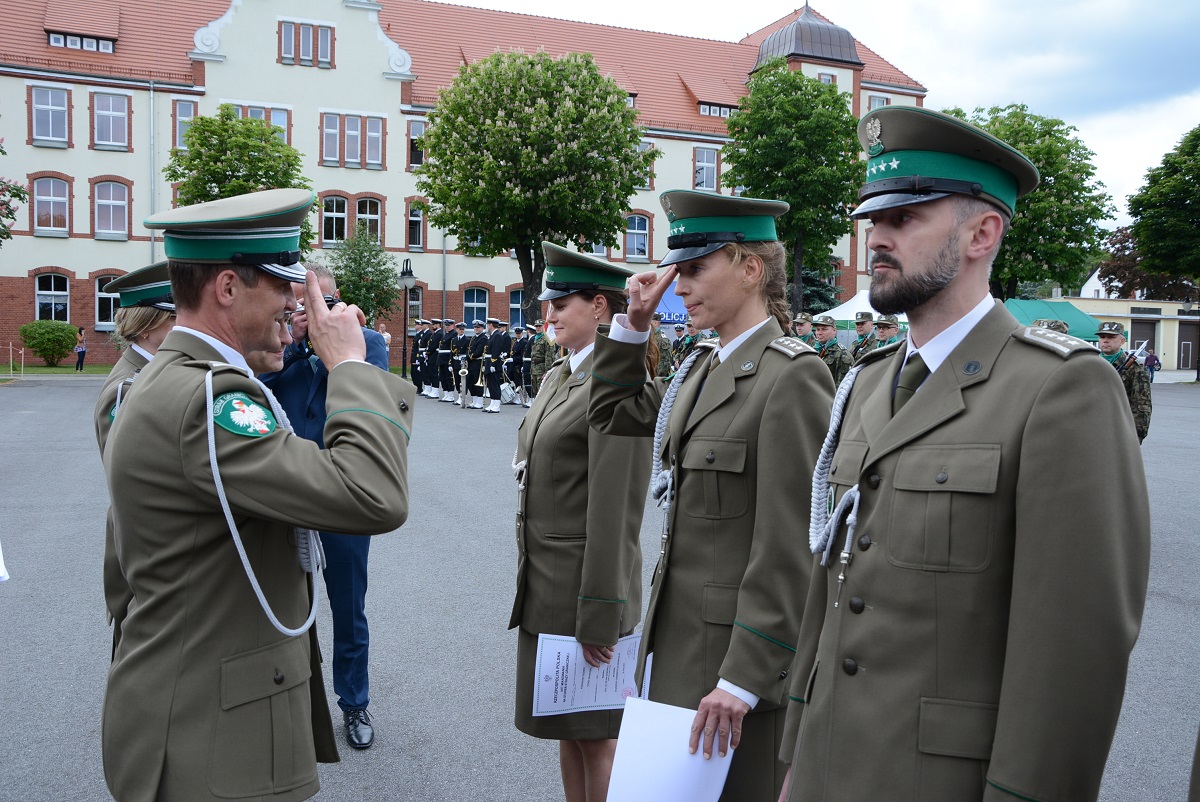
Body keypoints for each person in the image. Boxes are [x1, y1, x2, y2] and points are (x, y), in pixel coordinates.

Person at [778, 106, 1150, 802]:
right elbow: (830, 594)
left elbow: (1074, 649)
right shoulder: (867, 382)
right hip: (827, 764)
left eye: (905, 218)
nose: (876, 237)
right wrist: (796, 753)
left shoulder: (1059, 389)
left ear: (983, 234)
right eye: (873, 219)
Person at [102, 188, 414, 802]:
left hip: (206, 721)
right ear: (227, 288)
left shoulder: (189, 382)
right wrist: (351, 366)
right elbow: (374, 495)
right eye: (284, 287)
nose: (296, 306)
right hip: (210, 742)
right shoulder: (210, 402)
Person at [589, 189, 834, 801]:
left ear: (750, 269)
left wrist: (745, 678)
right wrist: (633, 325)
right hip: (677, 646)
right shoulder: (701, 366)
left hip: (732, 667)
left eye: (696, 269)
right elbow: (613, 414)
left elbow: (790, 547)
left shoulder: (792, 376)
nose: (681, 287)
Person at [510, 243, 652, 802]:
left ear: (598, 307)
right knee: (566, 730)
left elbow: (617, 507)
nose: (548, 313)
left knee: (599, 740)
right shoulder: (559, 375)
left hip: (585, 592)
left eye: (560, 303)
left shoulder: (614, 383)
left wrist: (602, 611)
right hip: (549, 586)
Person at [259, 263, 390, 751]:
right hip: (286, 489)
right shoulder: (273, 346)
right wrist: (293, 344)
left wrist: (337, 349)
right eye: (297, 305)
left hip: (342, 494)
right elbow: (253, 394)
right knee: (280, 601)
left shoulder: (366, 343)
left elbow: (376, 407)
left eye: (321, 303)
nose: (310, 312)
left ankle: (354, 701)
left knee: (349, 605)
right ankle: (287, 698)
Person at [92, 260, 177, 657]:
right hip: (147, 545)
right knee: (138, 656)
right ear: (146, 326)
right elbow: (132, 475)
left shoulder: (152, 370)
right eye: (175, 317)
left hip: (155, 544)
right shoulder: (129, 386)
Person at [1097, 321, 1152, 443]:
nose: (1105, 340)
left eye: (1111, 337)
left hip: (1118, 429)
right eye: (1102, 337)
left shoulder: (1135, 368)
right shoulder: (1090, 363)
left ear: (1122, 341)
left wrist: (1136, 437)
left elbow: (1141, 406)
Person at [812, 314, 852, 384]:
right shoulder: (813, 350)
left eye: (824, 329)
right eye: (818, 329)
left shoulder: (842, 354)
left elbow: (842, 385)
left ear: (834, 330)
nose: (819, 333)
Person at [485, 317, 511, 413]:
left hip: (494, 363)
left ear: (491, 325)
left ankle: (496, 405)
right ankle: (492, 403)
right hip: (489, 362)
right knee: (491, 384)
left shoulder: (497, 335)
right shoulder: (493, 335)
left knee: (495, 384)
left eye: (488, 325)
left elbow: (496, 350)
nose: (487, 326)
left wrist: (493, 363)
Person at [529, 319, 553, 397]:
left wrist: (547, 371)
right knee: (535, 391)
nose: (538, 328)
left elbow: (548, 355)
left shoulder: (546, 339)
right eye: (536, 326)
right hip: (534, 369)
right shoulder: (535, 338)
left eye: (539, 326)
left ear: (544, 326)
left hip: (542, 368)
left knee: (541, 392)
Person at [650, 312, 674, 378]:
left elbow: (665, 361)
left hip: (657, 375)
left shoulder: (662, 339)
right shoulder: (650, 336)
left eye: (649, 323)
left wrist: (657, 376)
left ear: (655, 323)